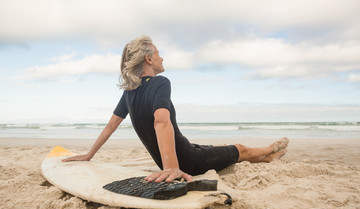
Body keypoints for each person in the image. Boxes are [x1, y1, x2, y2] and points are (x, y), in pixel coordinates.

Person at [62, 36, 288, 183]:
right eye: (159, 53)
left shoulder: (128, 93)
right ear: (149, 59)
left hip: (177, 154)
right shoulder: (162, 83)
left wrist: (89, 154)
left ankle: (266, 159)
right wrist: (172, 168)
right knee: (239, 148)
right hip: (186, 161)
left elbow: (111, 125)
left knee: (220, 149)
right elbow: (161, 121)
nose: (162, 57)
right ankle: (268, 149)